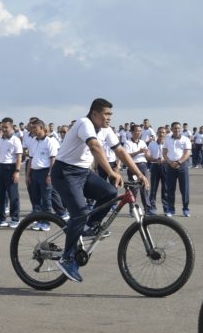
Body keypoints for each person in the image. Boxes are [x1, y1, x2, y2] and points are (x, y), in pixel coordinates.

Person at [51, 98, 149, 283]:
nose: (109, 118)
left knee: (110, 193)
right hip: (64, 172)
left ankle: (89, 227)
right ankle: (67, 258)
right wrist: (112, 172)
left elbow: (120, 151)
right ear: (94, 113)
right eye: (106, 114)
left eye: (111, 114)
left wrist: (139, 174)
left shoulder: (106, 129)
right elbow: (95, 146)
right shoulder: (84, 123)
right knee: (79, 212)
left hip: (82, 172)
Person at [26, 119, 59, 231]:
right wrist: (28, 175)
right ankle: (39, 221)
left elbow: (53, 159)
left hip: (45, 172)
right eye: (31, 128)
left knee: (46, 199)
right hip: (34, 172)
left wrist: (50, 174)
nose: (32, 130)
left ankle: (46, 223)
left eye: (35, 127)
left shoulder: (50, 141)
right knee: (36, 199)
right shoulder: (33, 141)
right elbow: (30, 159)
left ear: (41, 128)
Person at [0, 117, 23, 228]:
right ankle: (1, 219)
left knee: (13, 195)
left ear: (11, 127)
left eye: (6, 127)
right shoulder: (0, 139)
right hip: (0, 167)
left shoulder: (16, 140)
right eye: (2, 127)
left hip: (11, 168)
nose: (4, 129)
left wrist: (17, 171)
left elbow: (19, 157)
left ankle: (15, 218)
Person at [163, 122, 192, 217]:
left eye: (178, 128)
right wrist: (170, 162)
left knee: (184, 189)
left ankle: (186, 209)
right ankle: (171, 209)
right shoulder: (167, 139)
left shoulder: (185, 139)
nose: (177, 130)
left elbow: (187, 153)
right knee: (170, 189)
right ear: (171, 129)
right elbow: (164, 152)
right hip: (170, 166)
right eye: (175, 128)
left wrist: (179, 162)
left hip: (182, 166)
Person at [145, 127, 167, 215]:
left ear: (165, 134)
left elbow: (171, 156)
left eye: (163, 132)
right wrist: (155, 159)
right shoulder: (152, 144)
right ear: (157, 133)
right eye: (160, 132)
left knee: (166, 189)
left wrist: (164, 160)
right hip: (155, 166)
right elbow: (148, 156)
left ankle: (166, 208)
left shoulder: (168, 144)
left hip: (166, 166)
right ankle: (152, 208)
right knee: (153, 188)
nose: (161, 134)